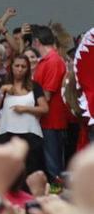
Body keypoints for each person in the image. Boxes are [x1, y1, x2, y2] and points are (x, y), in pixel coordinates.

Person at [0, 54, 48, 176]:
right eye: (17, 66)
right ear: (11, 67)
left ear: (28, 69)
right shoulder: (3, 85)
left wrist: (25, 109)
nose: (20, 69)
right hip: (6, 133)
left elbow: (44, 108)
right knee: (7, 172)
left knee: (30, 171)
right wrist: (2, 90)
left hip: (30, 134)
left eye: (23, 66)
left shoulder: (34, 86)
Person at [31, 25, 70, 180]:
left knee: (53, 166)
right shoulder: (46, 60)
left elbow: (46, 95)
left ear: (37, 42)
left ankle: (59, 199)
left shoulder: (53, 61)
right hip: (44, 121)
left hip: (52, 122)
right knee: (47, 165)